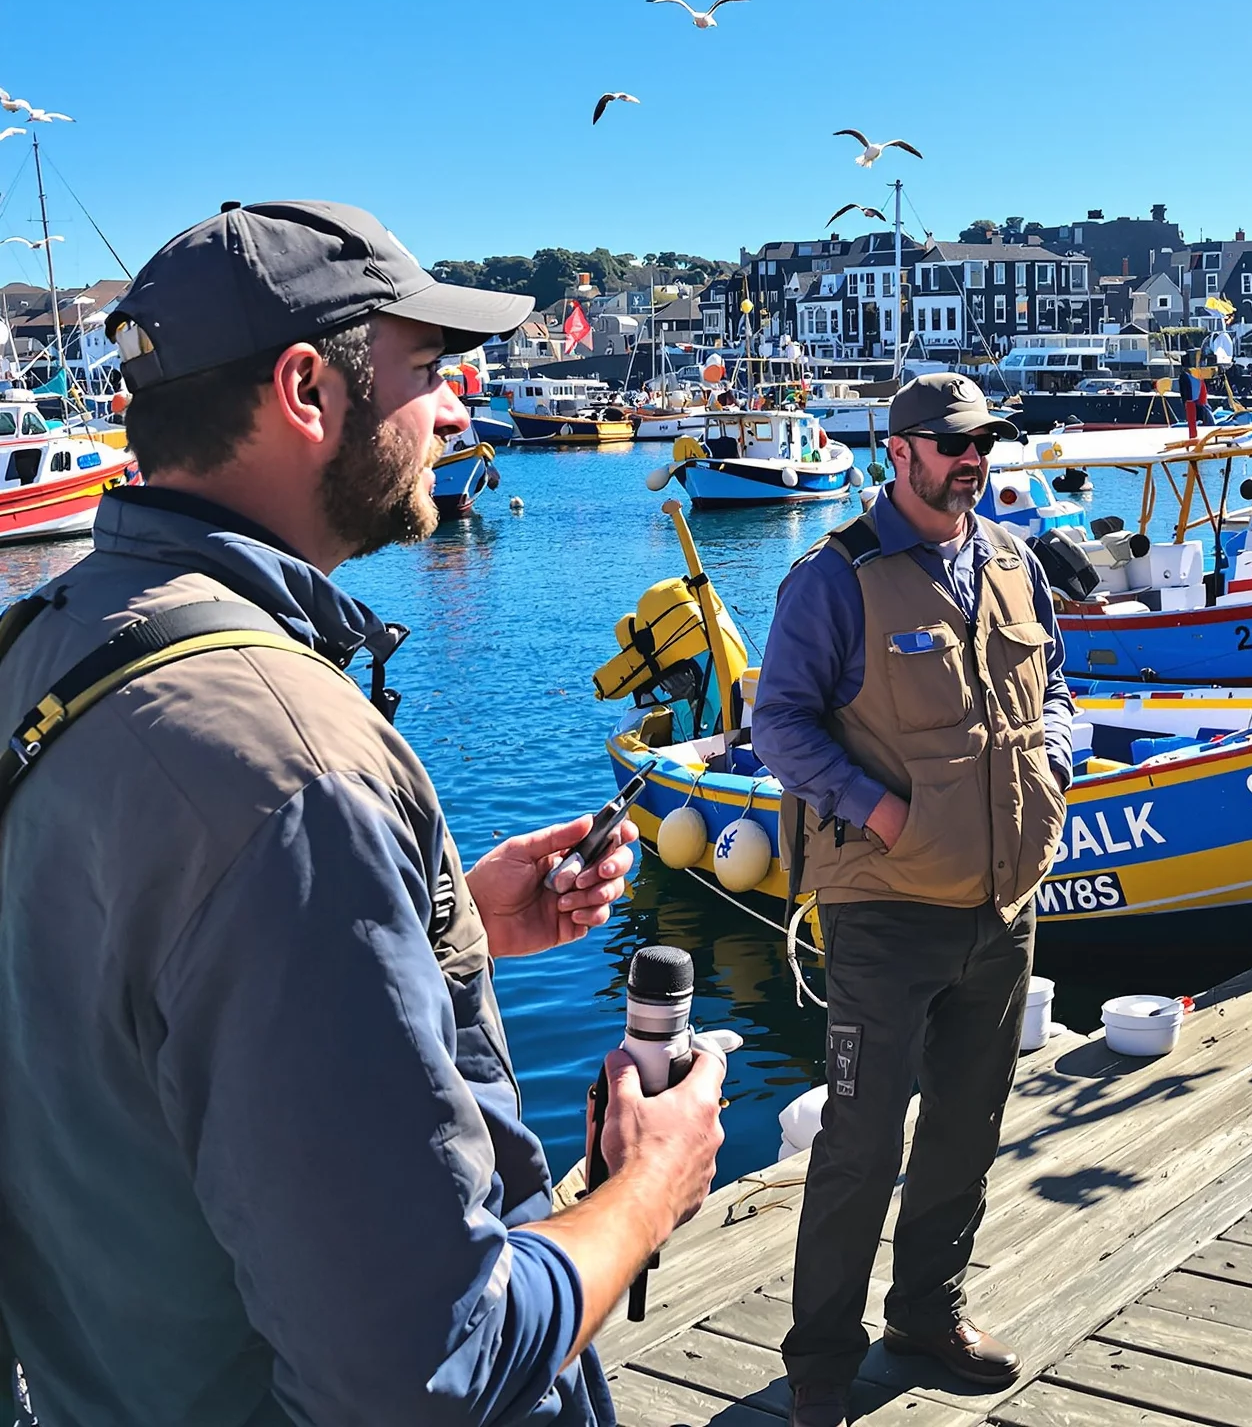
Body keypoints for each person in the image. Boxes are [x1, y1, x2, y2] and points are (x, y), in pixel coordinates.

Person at [0, 201, 726, 1427]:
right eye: (429, 372)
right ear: (305, 389)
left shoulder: (46, 644)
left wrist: (442, 934)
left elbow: (127, 1010)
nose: (456, 412)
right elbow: (423, 1372)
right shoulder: (292, 771)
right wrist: (648, 1187)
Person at [752, 374, 1074, 1427]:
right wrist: (879, 811)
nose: (970, 456)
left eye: (982, 439)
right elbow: (781, 723)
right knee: (859, 1139)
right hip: (885, 906)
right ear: (897, 451)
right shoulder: (835, 577)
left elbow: (1057, 690)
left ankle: (925, 1312)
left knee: (968, 1124)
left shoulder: (1013, 559)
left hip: (1001, 901)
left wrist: (1055, 763)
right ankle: (821, 1363)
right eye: (949, 442)